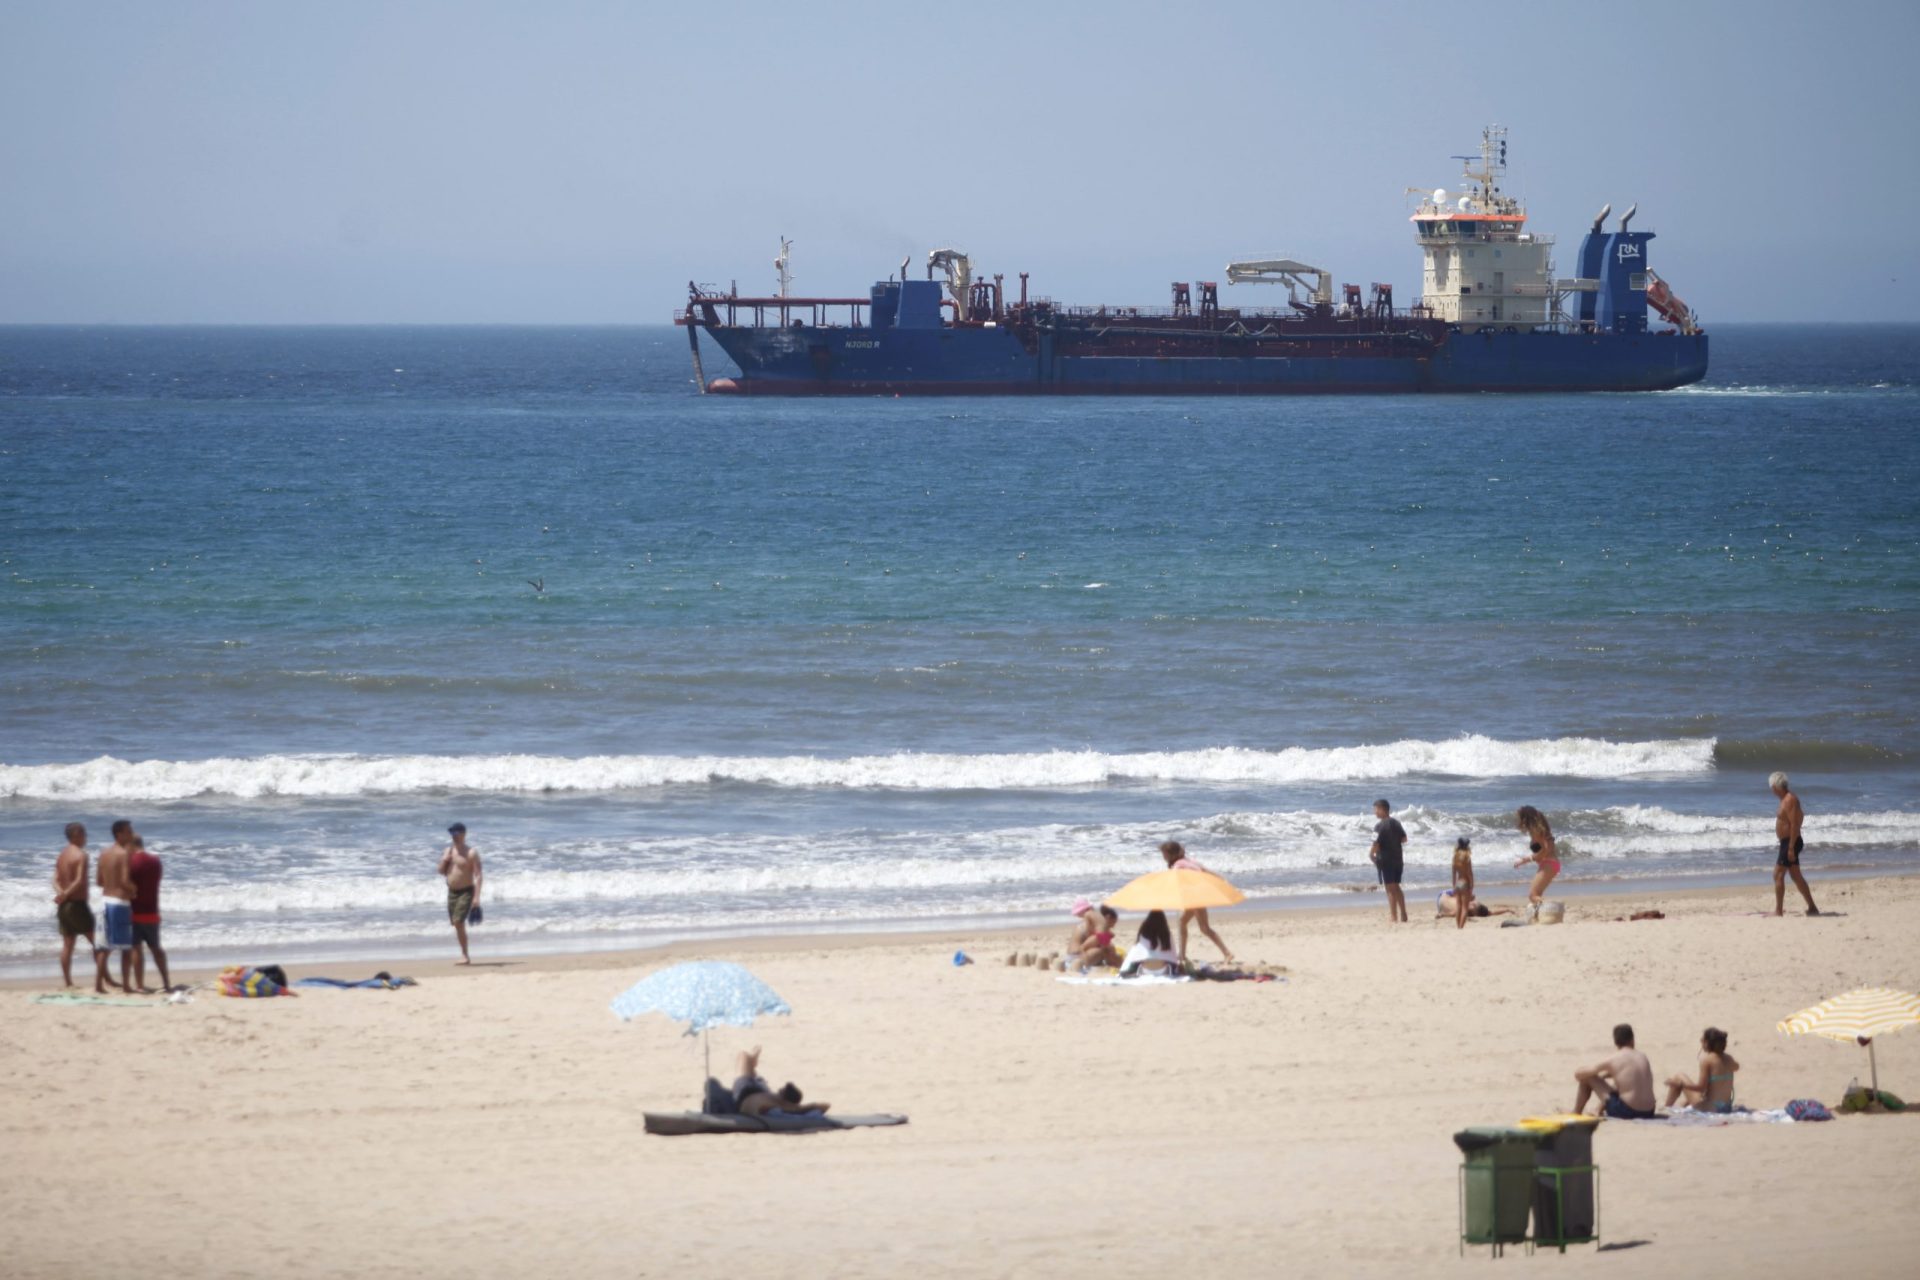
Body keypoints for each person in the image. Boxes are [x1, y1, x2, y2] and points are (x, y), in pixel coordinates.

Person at [1158, 840, 1234, 961]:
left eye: (1164, 854)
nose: (1163, 857)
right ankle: (1182, 955)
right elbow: (1205, 871)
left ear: (1171, 854)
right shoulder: (1189, 861)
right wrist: (1221, 880)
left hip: (1196, 897)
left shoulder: (1178, 865)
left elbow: (1173, 881)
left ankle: (1227, 953)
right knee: (1182, 922)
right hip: (1198, 894)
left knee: (1204, 928)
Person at [1573, 1023, 1657, 1120]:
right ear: (1632, 1040)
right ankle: (1597, 1110)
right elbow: (1629, 1076)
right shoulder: (1643, 1056)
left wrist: (1596, 1077)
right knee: (1619, 1084)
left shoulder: (1614, 1059)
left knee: (1588, 1077)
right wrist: (1606, 1076)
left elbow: (1579, 1075)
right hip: (1649, 1111)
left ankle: (1576, 1112)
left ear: (1616, 1043)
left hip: (1628, 1111)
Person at [51, 822, 97, 988]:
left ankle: (68, 982)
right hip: (77, 905)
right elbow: (79, 881)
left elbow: (54, 879)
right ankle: (102, 980)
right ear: (76, 835)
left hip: (64, 907)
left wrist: (61, 893)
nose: (86, 837)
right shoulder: (81, 855)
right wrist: (65, 894)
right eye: (84, 833)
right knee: (97, 942)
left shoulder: (62, 855)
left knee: (68, 945)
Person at [95, 819, 137, 993]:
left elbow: (98, 881)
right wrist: (136, 891)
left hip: (104, 902)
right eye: (128, 831)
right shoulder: (124, 854)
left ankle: (98, 984)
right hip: (119, 904)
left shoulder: (104, 853)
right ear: (119, 834)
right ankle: (126, 985)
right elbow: (125, 881)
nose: (131, 834)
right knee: (126, 949)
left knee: (104, 948)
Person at [1770, 772, 1819, 916]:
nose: (1771, 789)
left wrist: (1791, 847)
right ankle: (1812, 908)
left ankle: (1778, 911)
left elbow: (1795, 824)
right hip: (1788, 842)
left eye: (1772, 786)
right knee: (1796, 876)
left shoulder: (1790, 800)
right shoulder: (1786, 799)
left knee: (1778, 874)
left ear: (1776, 786)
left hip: (1790, 842)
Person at [731, 1046, 828, 1118]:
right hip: (759, 1090)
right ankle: (753, 1065)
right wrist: (799, 1107)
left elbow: (825, 1106)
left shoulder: (772, 1105)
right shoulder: (778, 1102)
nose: (779, 1090)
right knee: (745, 1059)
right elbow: (824, 1106)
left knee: (743, 1055)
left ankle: (753, 1063)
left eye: (782, 1090)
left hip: (744, 1092)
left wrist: (797, 1108)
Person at [128, 833, 171, 993]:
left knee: (136, 948)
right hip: (152, 912)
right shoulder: (155, 861)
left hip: (134, 912)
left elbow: (129, 886)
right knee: (156, 948)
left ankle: (139, 984)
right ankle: (166, 983)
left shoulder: (130, 862)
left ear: (131, 845)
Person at [1664, 1027, 1739, 1113]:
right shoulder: (1729, 1058)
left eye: (1702, 1040)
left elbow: (1701, 1088)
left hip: (1710, 1108)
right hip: (1726, 1107)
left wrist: (1681, 1084)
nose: (1700, 1041)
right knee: (1693, 1098)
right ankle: (1680, 1106)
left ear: (1707, 1043)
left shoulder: (1707, 1060)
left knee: (1679, 1076)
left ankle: (1667, 1107)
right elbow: (1737, 1067)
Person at [438, 823, 483, 964]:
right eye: (452, 834)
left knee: (458, 921)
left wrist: (476, 897)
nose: (454, 837)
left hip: (466, 891)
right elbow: (440, 871)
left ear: (464, 834)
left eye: (457, 834)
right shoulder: (449, 851)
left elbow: (479, 876)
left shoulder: (471, 853)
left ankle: (465, 955)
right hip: (452, 892)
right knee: (456, 924)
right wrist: (445, 858)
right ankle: (464, 953)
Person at [1513, 805, 1560, 915]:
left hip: (1549, 864)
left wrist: (1526, 859)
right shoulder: (1541, 830)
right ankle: (1542, 916)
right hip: (1551, 864)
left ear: (1525, 818)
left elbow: (1545, 850)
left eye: (1520, 817)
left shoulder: (1537, 832)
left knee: (1533, 895)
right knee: (1537, 895)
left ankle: (1554, 912)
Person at [1369, 800, 1409, 923]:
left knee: (1390, 889)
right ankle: (1403, 914)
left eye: (1376, 809)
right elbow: (1404, 839)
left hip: (1386, 861)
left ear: (1382, 809)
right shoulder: (1396, 823)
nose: (1375, 812)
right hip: (1398, 860)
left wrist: (1371, 855)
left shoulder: (1379, 826)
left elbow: (1375, 844)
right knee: (1397, 887)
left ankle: (1393, 916)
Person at [1118, 909, 1183, 977]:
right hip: (1164, 969)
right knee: (1172, 962)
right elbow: (1172, 954)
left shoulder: (1143, 933)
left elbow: (1137, 952)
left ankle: (1130, 972)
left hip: (1144, 969)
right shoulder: (1167, 934)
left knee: (1137, 956)